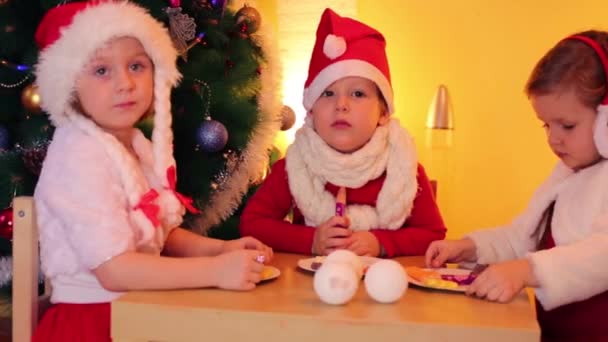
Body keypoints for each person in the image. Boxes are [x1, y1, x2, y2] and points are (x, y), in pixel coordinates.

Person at [32, 2, 272, 341]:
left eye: (136, 65)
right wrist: (215, 270)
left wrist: (219, 250)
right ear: (69, 84)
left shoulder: (135, 145)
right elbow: (115, 269)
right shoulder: (78, 154)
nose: (126, 83)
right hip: (94, 323)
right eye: (102, 71)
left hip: (138, 309)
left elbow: (160, 236)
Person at [425, 30, 608, 341]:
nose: (553, 138)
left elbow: (601, 254)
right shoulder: (565, 173)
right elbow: (523, 236)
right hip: (551, 332)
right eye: (546, 125)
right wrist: (469, 246)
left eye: (567, 125)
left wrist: (526, 271)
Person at [239, 8, 446, 257]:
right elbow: (252, 224)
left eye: (358, 94)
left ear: (383, 113)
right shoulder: (296, 166)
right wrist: (311, 240)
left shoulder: (404, 167)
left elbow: (432, 234)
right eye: (328, 93)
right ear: (312, 111)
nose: (341, 104)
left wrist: (381, 243)